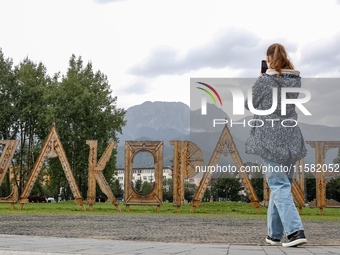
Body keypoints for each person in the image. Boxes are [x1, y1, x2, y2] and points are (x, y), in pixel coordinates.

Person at [245, 43, 308, 247]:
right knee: (282, 186)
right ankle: (274, 234)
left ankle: (295, 232)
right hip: (290, 138)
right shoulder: (295, 81)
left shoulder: (265, 81)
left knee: (278, 185)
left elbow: (249, 104)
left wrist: (262, 77)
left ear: (269, 60)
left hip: (270, 138)